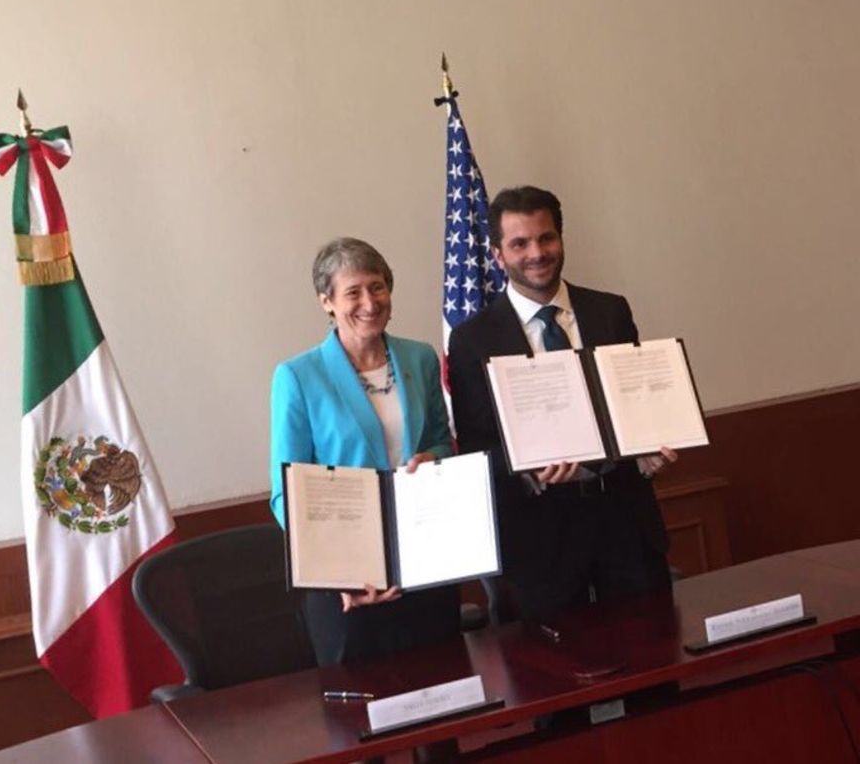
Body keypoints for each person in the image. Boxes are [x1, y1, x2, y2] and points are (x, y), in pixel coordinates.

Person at [448, 185, 677, 623]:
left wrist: (650, 449)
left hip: (625, 524)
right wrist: (528, 468)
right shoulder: (472, 339)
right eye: (519, 243)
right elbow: (477, 448)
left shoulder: (610, 311)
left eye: (546, 238)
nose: (537, 253)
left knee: (653, 653)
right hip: (540, 541)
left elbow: (637, 407)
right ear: (498, 254)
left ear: (561, 238)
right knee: (556, 663)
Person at [270, 237, 460, 665]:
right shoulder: (298, 376)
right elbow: (285, 493)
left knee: (445, 685)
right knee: (363, 701)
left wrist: (433, 458)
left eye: (377, 287)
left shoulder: (420, 358)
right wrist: (335, 572)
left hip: (427, 560)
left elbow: (441, 442)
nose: (370, 303)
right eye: (352, 292)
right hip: (349, 582)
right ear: (327, 302)